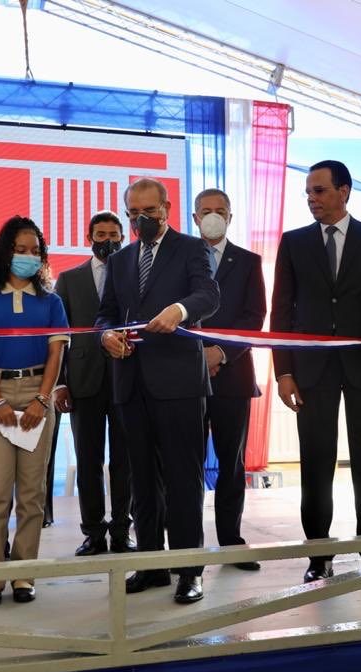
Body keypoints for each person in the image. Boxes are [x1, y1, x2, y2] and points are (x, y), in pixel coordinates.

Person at [270, 160, 361, 584]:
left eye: (319, 190)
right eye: (308, 192)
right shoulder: (293, 242)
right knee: (316, 462)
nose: (311, 199)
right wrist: (283, 372)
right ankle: (319, 555)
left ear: (344, 191)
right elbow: (281, 312)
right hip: (311, 371)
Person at [97, 178, 219, 604]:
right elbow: (106, 314)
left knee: (184, 480)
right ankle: (150, 564)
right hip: (131, 382)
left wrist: (180, 310)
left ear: (167, 207)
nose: (141, 219)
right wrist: (106, 336)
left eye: (149, 211)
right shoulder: (120, 260)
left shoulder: (191, 248)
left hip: (179, 383)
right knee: (142, 481)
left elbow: (209, 295)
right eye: (134, 213)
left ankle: (189, 570)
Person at [0, 216, 69, 606]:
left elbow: (56, 353)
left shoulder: (52, 302)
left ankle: (24, 574)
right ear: (4, 252)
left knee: (32, 492)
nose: (28, 256)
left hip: (37, 393)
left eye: (34, 251)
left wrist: (42, 400)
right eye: (19, 249)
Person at [190, 189, 267, 570]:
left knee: (231, 462)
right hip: (185, 377)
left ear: (231, 217)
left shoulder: (249, 262)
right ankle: (188, 545)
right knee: (186, 462)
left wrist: (219, 353)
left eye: (220, 211)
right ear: (194, 217)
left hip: (233, 375)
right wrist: (197, 355)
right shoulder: (180, 258)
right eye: (206, 211)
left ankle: (231, 539)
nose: (213, 217)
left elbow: (254, 317)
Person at [55, 211, 135, 556]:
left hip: (126, 377)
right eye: (101, 234)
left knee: (125, 461)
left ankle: (121, 531)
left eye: (114, 235)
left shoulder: (134, 275)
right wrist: (59, 383)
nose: (108, 241)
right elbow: (58, 335)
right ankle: (93, 533)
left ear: (123, 237)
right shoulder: (68, 279)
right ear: (89, 238)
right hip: (83, 381)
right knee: (88, 461)